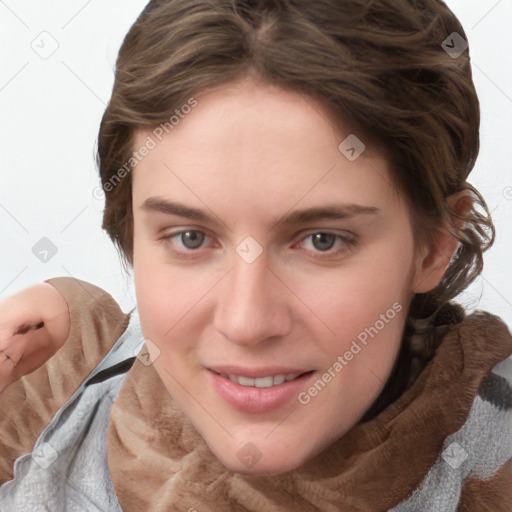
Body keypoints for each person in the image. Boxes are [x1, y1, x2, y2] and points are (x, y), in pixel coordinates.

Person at [1, 0, 511, 510]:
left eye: (322, 240)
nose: (246, 323)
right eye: (190, 238)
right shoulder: (51, 389)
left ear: (435, 244)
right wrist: (77, 349)